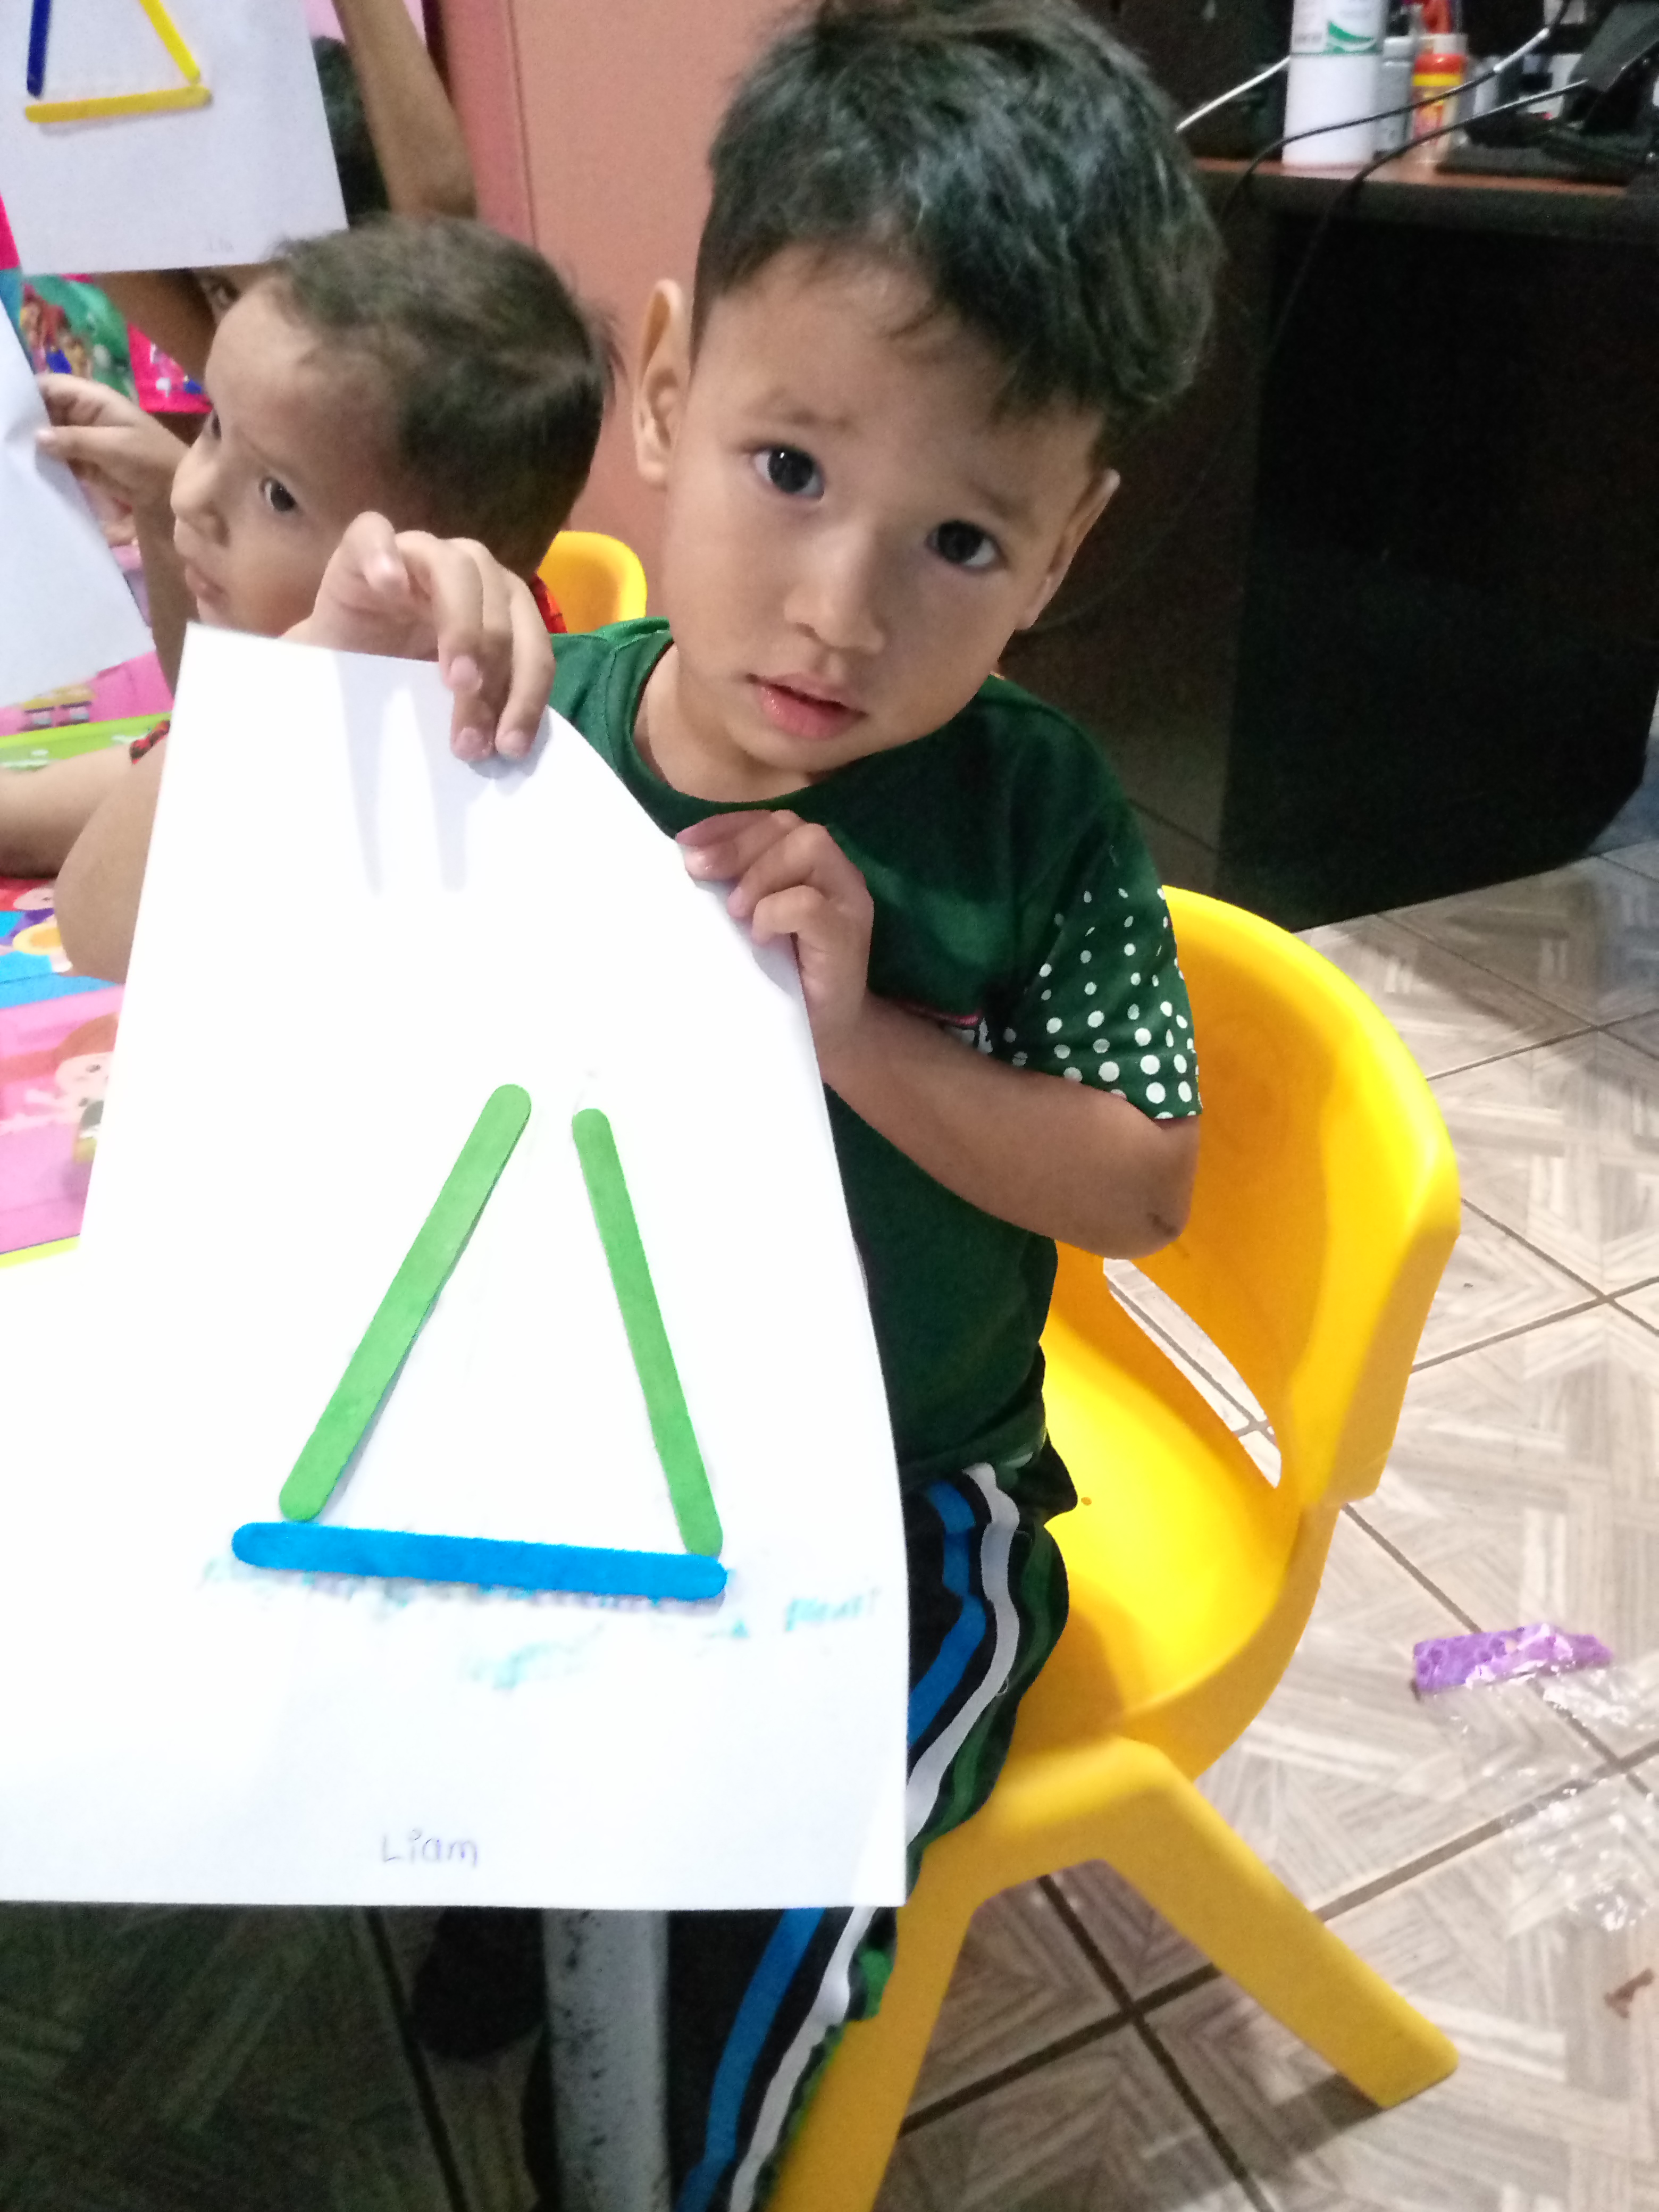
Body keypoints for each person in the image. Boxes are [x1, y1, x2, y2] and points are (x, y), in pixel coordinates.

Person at [415, 4, 1220, 2208]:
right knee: (422, 1701)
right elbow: (153, 916)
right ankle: (510, 1899)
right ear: (667, 385)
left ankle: (675, 2152)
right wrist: (339, 663)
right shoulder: (533, 728)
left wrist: (859, 1031)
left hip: (908, 1484)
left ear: (1064, 547)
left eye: (962, 539)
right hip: (583, 1446)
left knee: (741, 1925)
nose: (842, 612)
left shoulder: (1037, 809)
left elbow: (1144, 1180)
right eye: (791, 468)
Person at [20, 215, 610, 977]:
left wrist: (291, 681)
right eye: (214, 426)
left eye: (277, 495)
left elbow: (109, 933)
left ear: (427, 564)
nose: (194, 494)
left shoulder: (463, 717)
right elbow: (196, 703)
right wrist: (163, 516)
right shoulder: (306, 653)